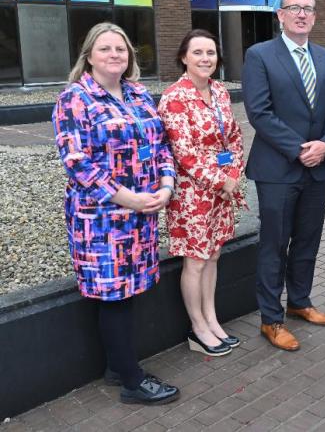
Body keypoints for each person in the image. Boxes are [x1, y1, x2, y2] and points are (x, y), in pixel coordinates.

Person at [52, 22, 179, 405]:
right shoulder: (75, 99)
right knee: (113, 295)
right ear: (89, 56)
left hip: (141, 214)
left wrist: (166, 186)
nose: (114, 55)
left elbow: (161, 147)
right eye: (105, 48)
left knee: (130, 291)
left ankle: (116, 366)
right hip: (101, 220)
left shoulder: (138, 94)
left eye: (120, 49)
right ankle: (132, 381)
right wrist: (129, 198)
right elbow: (77, 163)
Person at [242, 0, 325, 352]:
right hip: (278, 170)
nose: (301, 14)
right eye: (294, 8)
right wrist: (300, 149)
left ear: (315, 16)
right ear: (280, 15)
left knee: (307, 241)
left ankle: (299, 301)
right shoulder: (260, 55)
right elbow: (259, 112)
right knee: (275, 246)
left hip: (318, 169)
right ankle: (271, 320)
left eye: (308, 9)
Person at [158, 29, 245, 357]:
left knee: (214, 255)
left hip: (222, 190)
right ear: (184, 57)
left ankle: (212, 318)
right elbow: (184, 153)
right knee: (195, 261)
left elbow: (234, 137)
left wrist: (233, 173)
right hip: (192, 194)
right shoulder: (174, 98)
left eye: (210, 52)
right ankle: (197, 327)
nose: (205, 59)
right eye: (197, 52)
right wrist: (221, 181)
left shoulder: (220, 91)